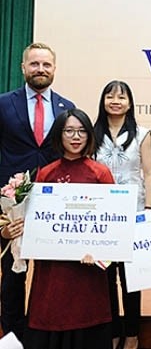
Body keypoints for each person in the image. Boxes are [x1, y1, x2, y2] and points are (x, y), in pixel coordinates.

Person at [21, 109, 114, 349]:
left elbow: (112, 224)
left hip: (88, 269)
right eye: (69, 131)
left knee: (87, 319)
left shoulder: (100, 173)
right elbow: (37, 222)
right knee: (50, 315)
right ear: (59, 135)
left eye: (82, 131)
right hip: (53, 269)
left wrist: (99, 254)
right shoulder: (46, 173)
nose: (76, 137)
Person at [0, 42, 75, 341]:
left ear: (54, 69)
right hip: (11, 201)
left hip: (53, 203)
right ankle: (13, 337)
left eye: (46, 65)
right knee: (13, 275)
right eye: (34, 64)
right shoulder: (4, 104)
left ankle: (47, 336)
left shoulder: (66, 107)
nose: (40, 69)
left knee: (53, 275)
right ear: (23, 68)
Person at [93, 81, 151, 349]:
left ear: (130, 103)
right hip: (102, 214)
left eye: (121, 97)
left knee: (131, 278)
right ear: (103, 101)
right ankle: (112, 332)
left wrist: (149, 210)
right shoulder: (92, 133)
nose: (115, 101)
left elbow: (150, 173)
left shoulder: (142, 134)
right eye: (110, 96)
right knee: (104, 278)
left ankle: (132, 334)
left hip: (133, 211)